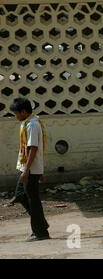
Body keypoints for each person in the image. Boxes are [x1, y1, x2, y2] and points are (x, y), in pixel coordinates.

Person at [10, 98, 50, 242]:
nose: (16, 116)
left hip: (30, 168)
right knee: (21, 195)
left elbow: (33, 148)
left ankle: (40, 232)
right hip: (28, 167)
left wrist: (27, 170)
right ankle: (42, 224)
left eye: (16, 113)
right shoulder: (28, 122)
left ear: (24, 111)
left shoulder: (32, 125)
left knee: (33, 200)